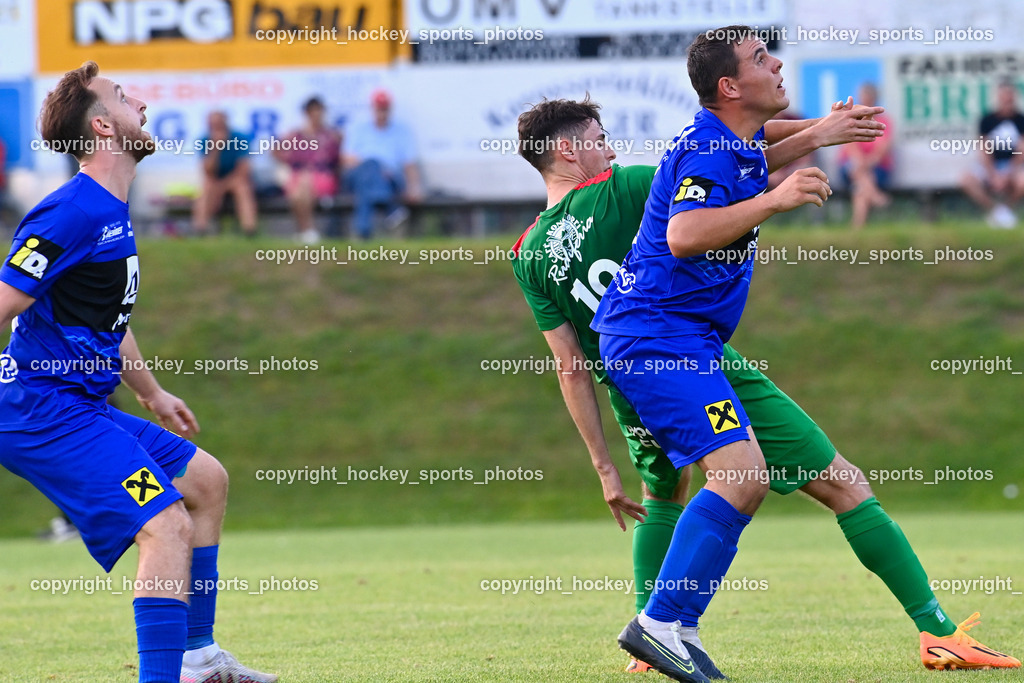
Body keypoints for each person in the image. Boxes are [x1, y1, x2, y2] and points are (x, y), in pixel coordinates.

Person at [589, 28, 1020, 681]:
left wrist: (820, 131)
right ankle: (662, 623)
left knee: (842, 478)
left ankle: (939, 634)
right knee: (738, 476)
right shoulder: (709, 150)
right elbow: (683, 233)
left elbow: (760, 149)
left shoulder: (730, 141)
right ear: (730, 86)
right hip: (657, 337)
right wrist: (776, 198)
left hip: (695, 342)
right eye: (761, 58)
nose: (778, 61)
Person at [0, 62, 276, 683]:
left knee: (204, 480)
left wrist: (150, 392)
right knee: (163, 522)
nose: (142, 104)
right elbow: (5, 302)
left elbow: (106, 318)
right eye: (125, 98)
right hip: (40, 410)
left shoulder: (110, 209)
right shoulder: (71, 212)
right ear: (103, 126)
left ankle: (198, 658)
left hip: (81, 405)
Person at [344, 89, 422, 239]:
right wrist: (376, 167)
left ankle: (363, 230)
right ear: (373, 108)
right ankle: (392, 211)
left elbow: (409, 164)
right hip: (363, 174)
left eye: (385, 109)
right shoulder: (358, 128)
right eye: (379, 108)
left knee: (367, 187)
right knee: (371, 166)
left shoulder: (402, 130)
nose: (382, 113)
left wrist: (414, 187)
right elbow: (347, 160)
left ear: (390, 109)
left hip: (390, 178)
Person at [275, 96, 342, 244]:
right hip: (298, 177)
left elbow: (336, 160)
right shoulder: (295, 135)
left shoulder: (330, 136)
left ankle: (304, 231)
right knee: (299, 187)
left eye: (319, 111)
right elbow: (277, 150)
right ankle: (308, 231)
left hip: (323, 177)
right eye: (313, 112)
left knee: (303, 183)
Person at [959, 79, 1024, 228]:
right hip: (991, 165)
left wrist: (1007, 173)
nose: (1007, 99)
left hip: (1013, 165)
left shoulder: (1021, 120)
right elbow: (984, 149)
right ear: (998, 97)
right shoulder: (987, 120)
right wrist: (992, 174)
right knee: (966, 179)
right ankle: (996, 211)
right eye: (1004, 96)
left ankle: (1006, 210)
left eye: (1010, 96)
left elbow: (1022, 151)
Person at [192, 111, 257, 237]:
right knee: (206, 189)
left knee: (242, 189)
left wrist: (223, 186)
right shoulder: (205, 140)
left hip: (235, 179)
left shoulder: (240, 138)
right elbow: (208, 171)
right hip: (215, 180)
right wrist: (215, 149)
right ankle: (200, 229)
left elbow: (243, 169)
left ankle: (249, 229)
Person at [837, 82, 893, 229]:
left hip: (875, 168)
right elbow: (850, 146)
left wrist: (865, 164)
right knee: (857, 170)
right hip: (851, 167)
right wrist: (860, 163)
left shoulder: (884, 121)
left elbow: (881, 150)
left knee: (860, 189)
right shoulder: (851, 119)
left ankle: (856, 231)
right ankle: (875, 196)